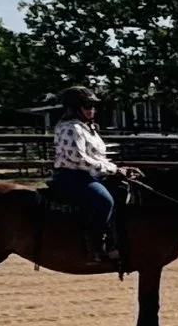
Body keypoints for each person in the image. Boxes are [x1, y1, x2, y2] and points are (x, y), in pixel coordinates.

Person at [50, 87, 133, 267]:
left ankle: (118, 240)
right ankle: (95, 246)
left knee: (126, 191)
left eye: (93, 106)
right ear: (74, 108)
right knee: (103, 200)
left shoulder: (88, 128)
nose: (91, 110)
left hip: (93, 174)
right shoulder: (70, 128)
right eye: (87, 106)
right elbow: (78, 159)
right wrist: (113, 169)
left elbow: (98, 157)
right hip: (73, 176)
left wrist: (116, 168)